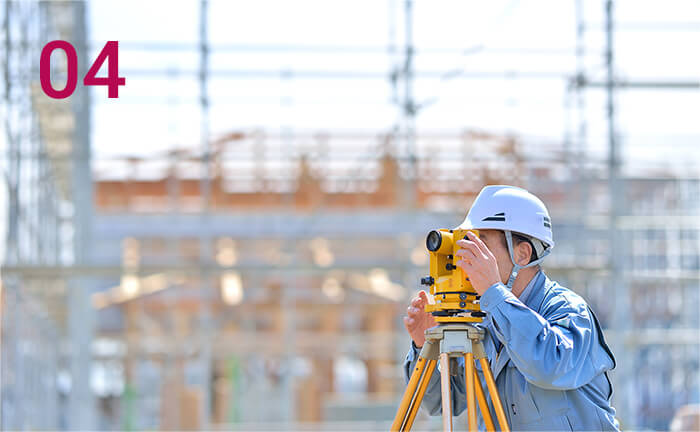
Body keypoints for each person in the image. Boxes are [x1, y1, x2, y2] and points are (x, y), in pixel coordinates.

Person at [403, 185, 620, 431]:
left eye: (481, 244)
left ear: (523, 254)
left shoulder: (569, 311)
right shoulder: (484, 323)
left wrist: (494, 293)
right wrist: (422, 346)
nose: (466, 256)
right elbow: (444, 402)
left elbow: (550, 366)